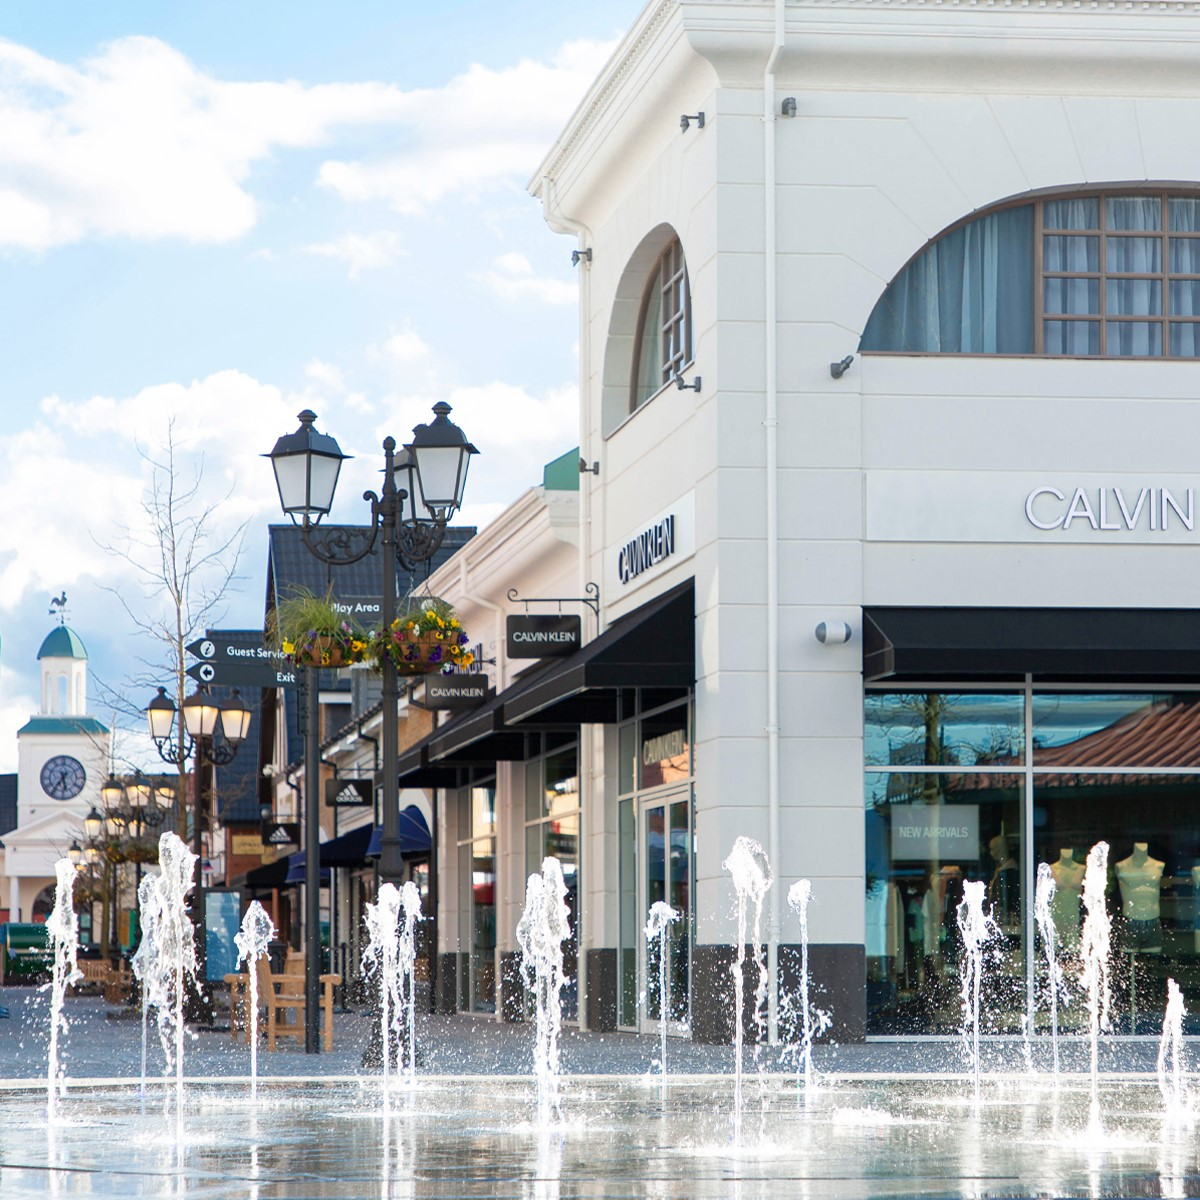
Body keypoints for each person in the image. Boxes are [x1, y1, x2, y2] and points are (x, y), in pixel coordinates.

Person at [1116, 842, 1164, 955]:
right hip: (1130, 920)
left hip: (1153, 920)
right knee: (1129, 961)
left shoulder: (1159, 865)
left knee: (1152, 960)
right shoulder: (1121, 866)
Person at [1048, 849, 1085, 948]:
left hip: (1073, 918)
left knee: (1073, 950)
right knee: (1053, 948)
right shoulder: (1051, 869)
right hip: (1056, 917)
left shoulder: (1082, 869)